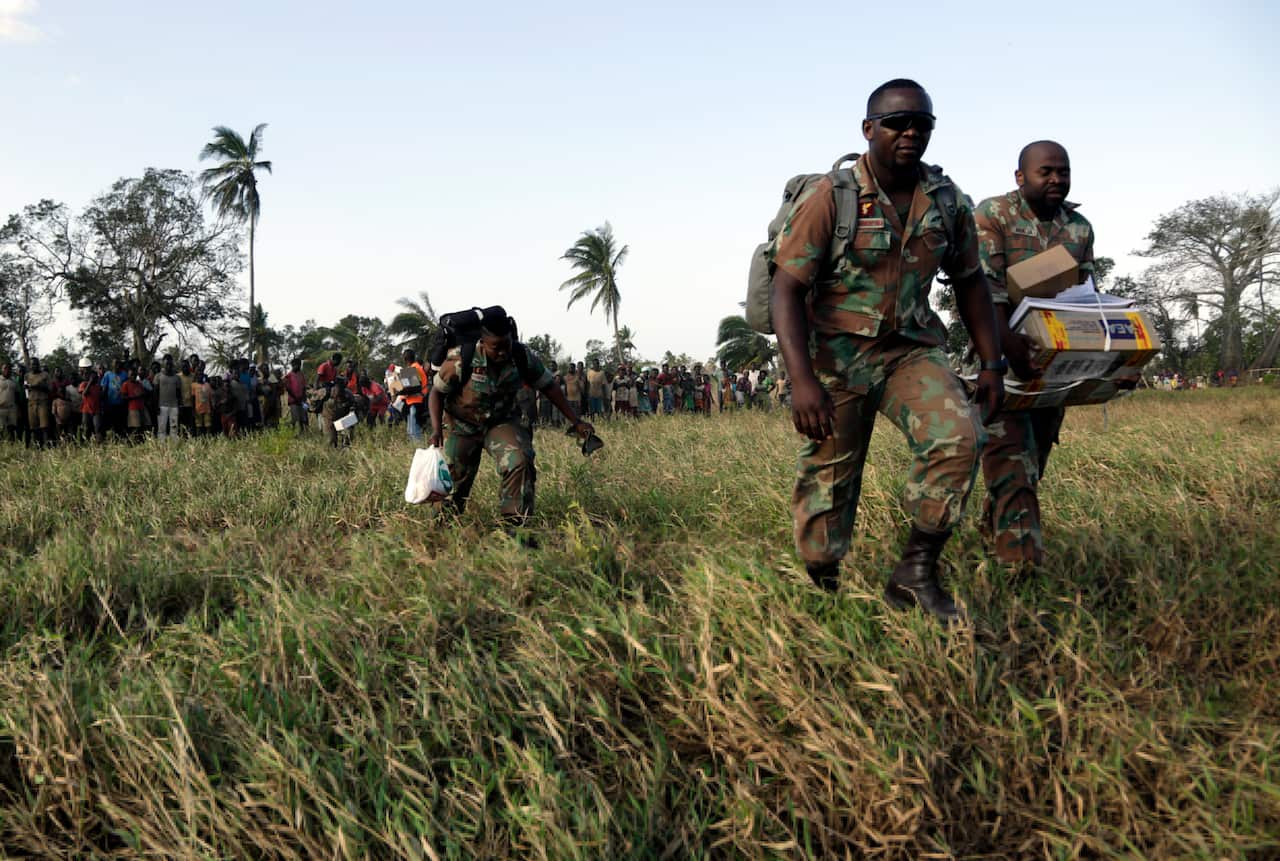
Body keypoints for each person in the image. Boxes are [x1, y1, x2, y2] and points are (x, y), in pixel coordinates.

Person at [769, 79, 1004, 622]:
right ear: (868, 129)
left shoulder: (946, 201)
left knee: (960, 438)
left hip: (910, 352)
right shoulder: (833, 195)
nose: (910, 132)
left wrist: (991, 363)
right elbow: (787, 286)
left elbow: (970, 281)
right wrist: (801, 380)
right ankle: (822, 582)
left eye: (922, 123)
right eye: (897, 122)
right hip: (836, 357)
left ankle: (916, 573)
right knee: (830, 480)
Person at [973, 140, 1095, 572]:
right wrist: (1008, 350)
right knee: (1012, 465)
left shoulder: (1079, 228)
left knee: (1034, 461)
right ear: (1020, 176)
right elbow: (984, 294)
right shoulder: (993, 215)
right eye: (1047, 172)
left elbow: (1084, 298)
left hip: (1052, 366)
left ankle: (994, 532)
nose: (1057, 180)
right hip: (1000, 362)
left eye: (1063, 172)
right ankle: (1021, 571)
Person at [427, 307, 592, 540]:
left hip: (500, 422)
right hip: (462, 426)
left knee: (520, 460)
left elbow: (548, 386)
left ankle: (517, 529)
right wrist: (436, 429)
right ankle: (440, 533)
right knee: (453, 481)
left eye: (507, 344)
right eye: (496, 347)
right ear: (483, 343)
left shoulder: (521, 355)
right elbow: (436, 393)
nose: (503, 352)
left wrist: (576, 421)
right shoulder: (460, 359)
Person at [400, 349, 430, 441]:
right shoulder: (416, 367)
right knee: (410, 430)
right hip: (413, 401)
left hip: (416, 401)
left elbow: (414, 387)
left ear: (405, 359)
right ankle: (414, 449)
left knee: (414, 431)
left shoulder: (413, 368)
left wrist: (399, 390)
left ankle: (418, 448)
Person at [24, 358, 53, 447]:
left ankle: (46, 446)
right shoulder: (27, 376)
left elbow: (50, 388)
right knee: (34, 427)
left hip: (42, 402)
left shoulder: (45, 375)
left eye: (36, 364)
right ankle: (38, 446)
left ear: (39, 365)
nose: (34, 366)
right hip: (31, 403)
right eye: (32, 364)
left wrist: (39, 386)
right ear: (30, 366)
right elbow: (26, 390)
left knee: (44, 426)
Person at [323, 376, 358, 447]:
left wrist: (350, 407)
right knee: (331, 440)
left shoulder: (348, 394)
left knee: (348, 431)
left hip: (343, 417)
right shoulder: (327, 393)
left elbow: (354, 405)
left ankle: (345, 446)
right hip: (329, 419)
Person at [154, 355, 182, 440]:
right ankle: (161, 448)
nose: (168, 366)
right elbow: (155, 392)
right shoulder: (158, 376)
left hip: (174, 406)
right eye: (167, 364)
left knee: (174, 428)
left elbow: (178, 393)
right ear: (163, 363)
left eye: (170, 364)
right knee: (161, 429)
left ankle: (174, 447)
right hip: (162, 406)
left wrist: (179, 405)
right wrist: (156, 406)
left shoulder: (177, 377)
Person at [120, 367, 148, 442]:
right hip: (133, 408)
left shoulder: (139, 384)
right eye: (131, 375)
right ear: (128, 375)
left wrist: (143, 394)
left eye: (135, 375)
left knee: (143, 426)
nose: (133, 376)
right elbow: (123, 397)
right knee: (135, 427)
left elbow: (144, 392)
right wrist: (135, 397)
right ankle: (133, 442)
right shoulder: (126, 384)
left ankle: (140, 441)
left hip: (141, 407)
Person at [284, 358, 307, 433]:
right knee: (295, 417)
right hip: (293, 400)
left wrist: (303, 398)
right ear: (293, 365)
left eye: (300, 365)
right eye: (298, 365)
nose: (299, 367)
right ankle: (292, 431)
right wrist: (295, 398)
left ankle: (302, 432)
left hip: (301, 400)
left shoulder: (301, 374)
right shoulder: (289, 375)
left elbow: (303, 387)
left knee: (302, 417)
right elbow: (288, 388)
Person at [0, 363, 18, 442]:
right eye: (5, 368)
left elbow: (16, 393)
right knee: (1, 429)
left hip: (12, 408)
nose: (7, 370)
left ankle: (12, 447)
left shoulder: (14, 380)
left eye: (8, 368)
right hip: (1, 408)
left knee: (12, 429)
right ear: (1, 369)